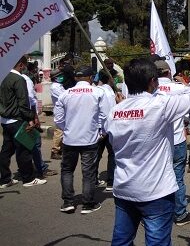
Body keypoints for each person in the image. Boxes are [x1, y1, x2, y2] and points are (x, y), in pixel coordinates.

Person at [105, 57, 190, 244]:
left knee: (121, 241)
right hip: (155, 192)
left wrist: (123, 108)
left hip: (124, 189)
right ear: (153, 81)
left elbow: (113, 142)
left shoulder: (114, 112)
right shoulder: (159, 106)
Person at [54, 66, 111, 214]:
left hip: (69, 139)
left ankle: (68, 202)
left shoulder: (65, 94)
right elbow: (105, 115)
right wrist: (102, 131)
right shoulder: (98, 92)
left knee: (67, 170)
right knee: (89, 173)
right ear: (91, 78)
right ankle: (88, 203)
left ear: (75, 78)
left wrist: (68, 129)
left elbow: (58, 119)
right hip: (90, 139)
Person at [155, 60, 190, 226]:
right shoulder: (180, 88)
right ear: (168, 73)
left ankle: (158, 213)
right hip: (176, 140)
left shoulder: (149, 90)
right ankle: (180, 213)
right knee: (177, 178)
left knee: (158, 177)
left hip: (157, 143)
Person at [0, 56, 47, 189]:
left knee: (6, 150)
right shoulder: (18, 79)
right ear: (21, 65)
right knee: (24, 150)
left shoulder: (3, 77)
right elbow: (23, 102)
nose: (25, 68)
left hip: (5, 120)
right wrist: (31, 118)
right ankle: (28, 178)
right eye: (24, 66)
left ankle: (4, 179)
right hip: (17, 119)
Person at [94, 69, 116, 192]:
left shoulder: (95, 90)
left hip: (97, 128)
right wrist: (104, 130)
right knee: (111, 154)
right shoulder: (108, 92)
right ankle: (111, 181)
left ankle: (94, 179)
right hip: (106, 128)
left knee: (96, 155)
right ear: (109, 78)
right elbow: (105, 113)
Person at [50, 59, 76, 160]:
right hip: (59, 112)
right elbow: (64, 97)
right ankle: (55, 150)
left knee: (64, 130)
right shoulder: (55, 87)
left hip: (65, 111)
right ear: (56, 78)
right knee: (59, 131)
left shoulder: (60, 86)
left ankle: (61, 149)